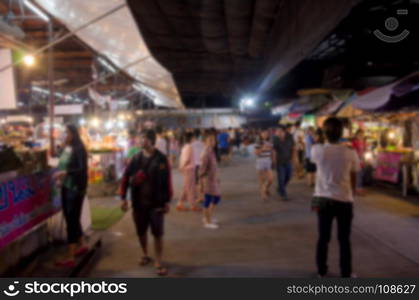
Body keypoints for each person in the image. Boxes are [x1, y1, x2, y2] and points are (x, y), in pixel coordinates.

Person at [311, 117, 360, 278]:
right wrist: (352, 193)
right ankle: (346, 272)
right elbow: (354, 175)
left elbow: (314, 161)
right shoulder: (350, 152)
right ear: (342, 133)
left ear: (324, 133)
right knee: (344, 239)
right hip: (345, 200)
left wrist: (320, 138)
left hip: (322, 199)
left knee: (323, 238)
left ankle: (321, 271)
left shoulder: (317, 150)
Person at [120, 129, 172, 276]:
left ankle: (159, 262)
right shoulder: (135, 159)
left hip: (157, 203)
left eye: (144, 139)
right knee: (141, 232)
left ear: (151, 141)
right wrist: (123, 197)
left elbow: (167, 181)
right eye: (140, 139)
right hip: (138, 203)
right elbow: (125, 178)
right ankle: (145, 254)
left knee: (158, 233)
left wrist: (167, 200)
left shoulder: (162, 159)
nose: (141, 141)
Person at [54, 124, 88, 267]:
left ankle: (70, 256)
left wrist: (65, 173)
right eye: (64, 133)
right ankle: (81, 244)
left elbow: (82, 168)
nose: (65, 135)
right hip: (66, 185)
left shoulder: (79, 148)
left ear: (73, 134)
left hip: (74, 187)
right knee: (72, 217)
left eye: (67, 133)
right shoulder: (67, 147)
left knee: (71, 219)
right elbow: (62, 160)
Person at [199, 132, 221, 229]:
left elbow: (214, 167)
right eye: (210, 140)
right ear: (205, 141)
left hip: (213, 179)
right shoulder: (206, 153)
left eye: (214, 140)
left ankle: (208, 217)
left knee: (216, 198)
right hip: (208, 180)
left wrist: (217, 177)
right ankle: (207, 222)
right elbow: (202, 170)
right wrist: (201, 183)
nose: (213, 142)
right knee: (208, 200)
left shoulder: (211, 151)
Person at [177, 132, 200, 211]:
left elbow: (182, 158)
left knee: (186, 187)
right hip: (189, 169)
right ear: (191, 138)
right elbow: (186, 159)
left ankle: (180, 203)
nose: (194, 138)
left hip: (187, 169)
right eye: (193, 137)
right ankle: (192, 205)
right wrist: (182, 167)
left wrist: (181, 167)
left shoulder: (184, 147)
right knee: (190, 187)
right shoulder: (189, 147)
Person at [273, 125, 294, 201]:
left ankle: (280, 188)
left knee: (289, 176)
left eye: (279, 131)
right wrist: (274, 161)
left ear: (283, 132)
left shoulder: (289, 137)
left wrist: (294, 158)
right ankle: (283, 194)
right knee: (281, 178)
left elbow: (293, 148)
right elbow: (274, 150)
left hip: (288, 160)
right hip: (279, 162)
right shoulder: (275, 139)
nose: (277, 133)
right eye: (277, 131)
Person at [254, 129, 274, 201]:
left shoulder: (270, 142)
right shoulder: (258, 143)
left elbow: (272, 151)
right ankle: (263, 194)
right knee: (262, 180)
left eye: (266, 133)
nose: (265, 135)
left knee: (271, 179)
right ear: (261, 134)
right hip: (260, 161)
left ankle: (266, 189)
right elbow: (256, 153)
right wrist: (262, 148)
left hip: (268, 161)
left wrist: (273, 160)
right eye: (264, 133)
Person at [351, 129, 367, 195]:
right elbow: (353, 151)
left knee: (361, 174)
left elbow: (365, 150)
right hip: (357, 160)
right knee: (359, 175)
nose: (361, 136)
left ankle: (359, 188)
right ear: (356, 135)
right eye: (359, 134)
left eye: (362, 135)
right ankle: (358, 189)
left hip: (363, 160)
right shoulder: (354, 142)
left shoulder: (364, 143)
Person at [191, 129, 205, 201]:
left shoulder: (192, 144)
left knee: (196, 181)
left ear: (193, 135)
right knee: (202, 181)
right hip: (202, 164)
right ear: (200, 135)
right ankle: (202, 196)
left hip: (195, 164)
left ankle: (197, 196)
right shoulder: (203, 144)